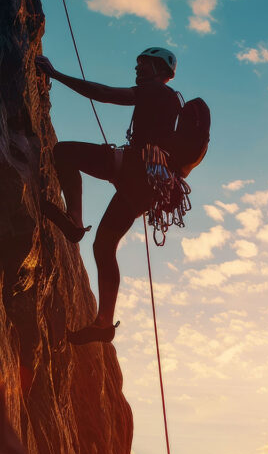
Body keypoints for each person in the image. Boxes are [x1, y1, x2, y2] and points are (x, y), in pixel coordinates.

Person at [35, 47, 181, 345]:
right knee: (103, 246)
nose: (137, 69)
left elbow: (103, 93)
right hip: (147, 187)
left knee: (65, 153)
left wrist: (55, 74)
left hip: (135, 168)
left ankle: (74, 219)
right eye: (137, 63)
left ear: (159, 70)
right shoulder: (168, 99)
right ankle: (103, 323)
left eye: (144, 64)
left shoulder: (156, 92)